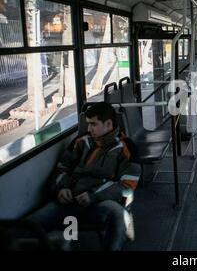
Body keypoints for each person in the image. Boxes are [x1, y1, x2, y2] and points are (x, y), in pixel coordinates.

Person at [26, 102, 140, 251]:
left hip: (101, 202)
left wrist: (93, 195)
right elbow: (62, 167)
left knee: (119, 216)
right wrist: (62, 188)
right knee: (29, 225)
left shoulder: (126, 147)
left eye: (93, 124)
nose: (89, 129)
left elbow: (127, 185)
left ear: (108, 124)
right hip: (70, 199)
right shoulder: (81, 141)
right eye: (87, 124)